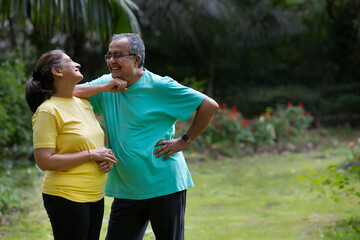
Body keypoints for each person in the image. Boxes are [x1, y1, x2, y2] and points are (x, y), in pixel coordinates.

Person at [74, 33, 219, 240]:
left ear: (136, 59)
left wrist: (183, 141)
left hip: (164, 184)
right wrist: (105, 87)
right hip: (127, 189)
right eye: (109, 55)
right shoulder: (107, 83)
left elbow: (208, 105)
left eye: (118, 55)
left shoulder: (160, 86)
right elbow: (68, 92)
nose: (111, 61)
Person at [25, 49, 120, 240]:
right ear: (57, 72)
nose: (77, 64)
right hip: (66, 196)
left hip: (94, 194)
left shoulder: (83, 103)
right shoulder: (48, 111)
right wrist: (92, 154)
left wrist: (104, 158)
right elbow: (44, 161)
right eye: (70, 60)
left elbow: (89, 146)